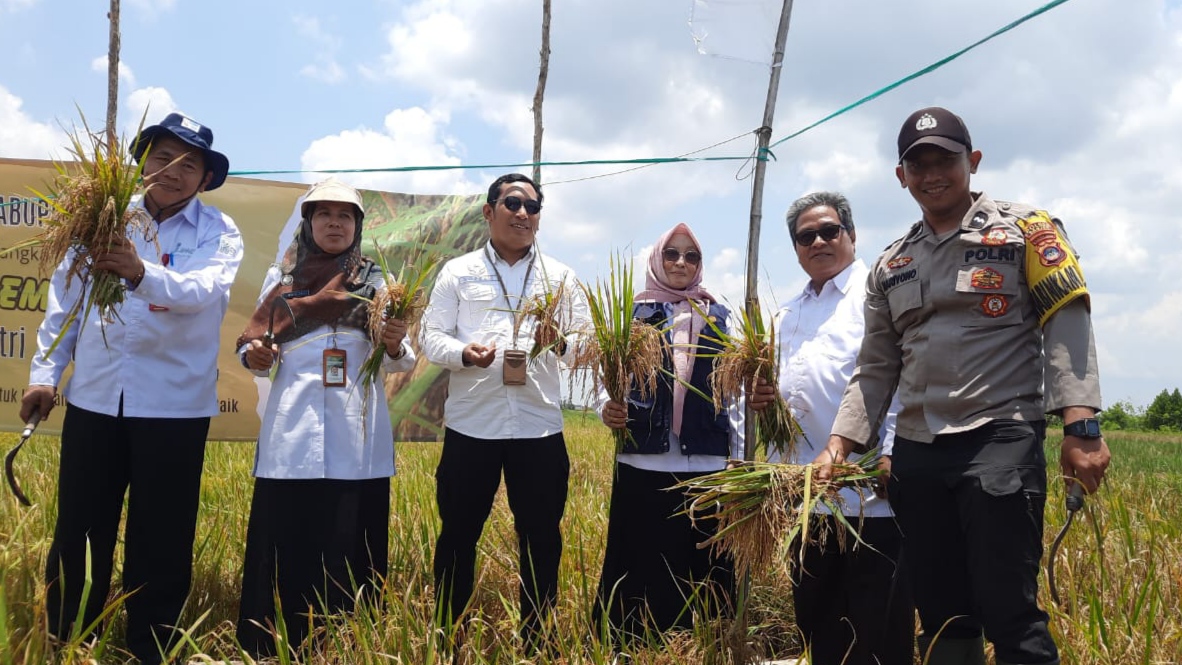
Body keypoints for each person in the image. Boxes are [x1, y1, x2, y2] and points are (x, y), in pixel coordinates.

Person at [818, 107, 1111, 665]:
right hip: (918, 452)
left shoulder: (1028, 229)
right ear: (901, 176)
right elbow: (876, 365)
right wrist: (840, 446)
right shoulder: (891, 263)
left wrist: (1083, 425)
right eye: (918, 164)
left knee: (1009, 609)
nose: (933, 174)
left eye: (945, 160)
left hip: (998, 439)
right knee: (942, 609)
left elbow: (1066, 318)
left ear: (971, 162)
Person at [19, 113, 242, 664]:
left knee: (162, 536)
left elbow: (203, 291)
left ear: (205, 178)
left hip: (174, 408)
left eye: (190, 164)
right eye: (163, 157)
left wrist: (139, 272)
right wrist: (45, 377)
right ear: (142, 162)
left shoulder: (219, 231)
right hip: (95, 399)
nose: (174, 171)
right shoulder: (103, 218)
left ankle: (151, 647)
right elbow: (64, 306)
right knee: (80, 527)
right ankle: (68, 640)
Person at [232, 178, 416, 657]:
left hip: (357, 441)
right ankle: (271, 646)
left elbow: (402, 359)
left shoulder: (379, 288)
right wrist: (255, 355)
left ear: (357, 227)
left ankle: (347, 645)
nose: (335, 222)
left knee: (349, 542)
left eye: (345, 215)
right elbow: (251, 347)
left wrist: (393, 339)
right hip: (291, 439)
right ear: (309, 225)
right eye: (324, 214)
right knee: (286, 540)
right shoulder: (284, 284)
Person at [419, 173, 590, 652]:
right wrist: (462, 353)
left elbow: (587, 345)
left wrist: (558, 340)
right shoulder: (458, 272)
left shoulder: (561, 276)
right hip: (472, 424)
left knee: (541, 537)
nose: (523, 213)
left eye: (533, 207)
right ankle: (448, 635)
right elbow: (431, 337)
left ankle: (538, 639)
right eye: (512, 203)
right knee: (458, 533)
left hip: (538, 427)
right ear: (488, 212)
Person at [750, 192, 913, 665]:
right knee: (818, 619)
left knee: (877, 624)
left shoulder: (876, 297)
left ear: (852, 235)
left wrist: (893, 450)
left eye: (829, 231)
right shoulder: (787, 314)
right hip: (806, 494)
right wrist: (766, 402)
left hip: (869, 497)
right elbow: (785, 393)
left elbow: (902, 377)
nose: (818, 241)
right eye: (806, 236)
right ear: (796, 248)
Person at [594, 223, 739, 645]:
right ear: (657, 259)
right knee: (641, 556)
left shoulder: (721, 317)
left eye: (690, 256)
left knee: (702, 559)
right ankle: (632, 645)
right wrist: (608, 410)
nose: (680, 262)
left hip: (707, 460)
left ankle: (704, 645)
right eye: (672, 254)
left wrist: (738, 455)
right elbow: (607, 385)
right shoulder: (632, 318)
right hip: (643, 458)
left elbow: (740, 394)